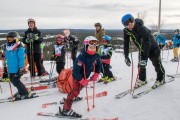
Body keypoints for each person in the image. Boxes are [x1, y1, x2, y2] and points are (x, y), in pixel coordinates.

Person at [121, 14, 165, 89]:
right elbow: (126, 43)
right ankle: (142, 79)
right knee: (141, 65)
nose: (130, 24)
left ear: (133, 20)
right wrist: (126, 56)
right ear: (124, 25)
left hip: (153, 48)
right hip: (142, 49)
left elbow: (147, 42)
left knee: (157, 64)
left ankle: (161, 79)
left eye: (131, 20)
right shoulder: (126, 31)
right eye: (126, 23)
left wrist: (145, 58)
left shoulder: (141, 28)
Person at [61, 36, 101, 117]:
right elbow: (75, 71)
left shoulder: (96, 55)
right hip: (77, 77)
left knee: (79, 88)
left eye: (94, 47)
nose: (93, 49)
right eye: (91, 47)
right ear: (86, 47)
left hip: (85, 76)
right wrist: (82, 80)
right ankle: (66, 109)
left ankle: (72, 96)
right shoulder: (82, 56)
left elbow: (98, 65)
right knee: (75, 91)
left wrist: (96, 74)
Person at [5, 31, 34, 100]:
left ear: (16, 38)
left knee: (16, 81)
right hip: (10, 69)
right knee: (13, 81)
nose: (9, 40)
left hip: (17, 69)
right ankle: (20, 91)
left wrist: (21, 68)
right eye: (8, 39)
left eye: (11, 39)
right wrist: (5, 67)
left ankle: (25, 93)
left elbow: (21, 59)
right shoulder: (7, 48)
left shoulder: (19, 48)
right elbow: (6, 58)